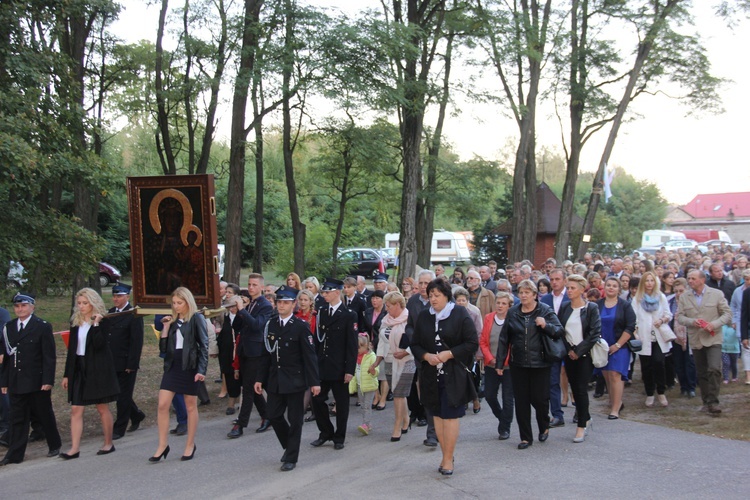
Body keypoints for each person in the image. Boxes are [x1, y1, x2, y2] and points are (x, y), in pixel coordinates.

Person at [410, 279, 478, 475]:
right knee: (437, 416)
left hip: (453, 374)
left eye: (437, 295)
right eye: (430, 296)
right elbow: (415, 344)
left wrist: (450, 354)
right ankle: (445, 454)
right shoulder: (424, 316)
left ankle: (448, 459)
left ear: (446, 295)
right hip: (430, 375)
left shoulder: (459, 313)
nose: (433, 299)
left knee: (450, 416)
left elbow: (472, 343)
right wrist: (425, 356)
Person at [254, 286, 320, 471]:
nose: (281, 306)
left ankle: (291, 457)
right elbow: (265, 354)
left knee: (295, 419)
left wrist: (314, 382)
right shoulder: (271, 324)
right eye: (279, 302)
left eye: (286, 303)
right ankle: (289, 446)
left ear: (294, 305)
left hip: (295, 380)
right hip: (275, 379)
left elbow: (310, 356)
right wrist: (259, 378)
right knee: (274, 415)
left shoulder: (300, 327)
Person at [496, 280, 564, 450]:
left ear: (535, 295)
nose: (524, 295)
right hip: (518, 363)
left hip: (540, 363)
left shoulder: (545, 310)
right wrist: (499, 362)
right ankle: (525, 437)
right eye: (521, 292)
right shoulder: (513, 312)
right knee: (521, 401)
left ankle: (544, 425)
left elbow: (559, 330)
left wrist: (545, 325)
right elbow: (504, 339)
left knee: (539, 399)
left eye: (527, 292)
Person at [0, 293, 62, 466]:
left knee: (44, 414)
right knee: (17, 418)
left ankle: (54, 444)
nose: (20, 309)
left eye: (24, 306)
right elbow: (6, 357)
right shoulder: (9, 327)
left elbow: (49, 357)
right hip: (16, 380)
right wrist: (4, 382)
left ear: (32, 307)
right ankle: (15, 454)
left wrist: (48, 380)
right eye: (17, 306)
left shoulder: (41, 326)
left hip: (36, 380)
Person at [150, 287, 209, 462]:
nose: (176, 306)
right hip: (172, 365)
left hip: (189, 366)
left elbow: (204, 346)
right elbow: (163, 349)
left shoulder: (196, 318)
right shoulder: (173, 321)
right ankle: (162, 445)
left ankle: (190, 444)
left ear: (187, 302)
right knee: (162, 405)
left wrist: (201, 370)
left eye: (179, 303)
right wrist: (166, 328)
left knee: (190, 405)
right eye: (174, 303)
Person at [60, 288, 120, 459]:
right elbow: (72, 350)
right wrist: (67, 374)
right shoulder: (76, 322)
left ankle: (108, 443)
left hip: (97, 368)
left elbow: (100, 345)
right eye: (79, 303)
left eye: (85, 303)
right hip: (79, 367)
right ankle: (75, 448)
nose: (81, 306)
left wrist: (95, 324)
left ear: (93, 303)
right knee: (76, 409)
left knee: (102, 407)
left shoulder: (104, 321)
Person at [310, 278, 357, 450]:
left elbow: (352, 345)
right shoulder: (321, 311)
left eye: (327, 292)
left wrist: (349, 369)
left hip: (339, 366)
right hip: (322, 364)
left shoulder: (348, 314)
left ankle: (339, 436)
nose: (324, 295)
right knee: (317, 400)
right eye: (323, 292)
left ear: (337, 292)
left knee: (341, 403)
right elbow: (317, 340)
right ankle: (325, 432)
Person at [679, 270, 732, 413]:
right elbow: (680, 317)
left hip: (713, 337)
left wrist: (714, 324)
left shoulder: (716, 294)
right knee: (701, 372)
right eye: (689, 278)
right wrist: (692, 321)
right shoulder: (684, 297)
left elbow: (727, 314)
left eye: (693, 278)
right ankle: (706, 401)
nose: (690, 281)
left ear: (702, 280)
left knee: (714, 368)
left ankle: (714, 401)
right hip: (696, 339)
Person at [228, 273, 274, 438]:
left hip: (257, 352)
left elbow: (256, 326)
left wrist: (242, 310)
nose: (251, 288)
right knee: (252, 388)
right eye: (249, 284)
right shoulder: (250, 304)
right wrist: (241, 310)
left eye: (254, 285)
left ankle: (240, 424)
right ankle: (267, 415)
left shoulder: (266, 306)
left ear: (262, 287)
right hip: (244, 350)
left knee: (247, 389)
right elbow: (236, 325)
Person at [558, 275, 601, 443]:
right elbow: (561, 331)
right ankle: (587, 417)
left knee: (581, 389)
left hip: (585, 355)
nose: (569, 291)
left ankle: (581, 426)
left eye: (572, 288)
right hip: (569, 355)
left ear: (582, 290)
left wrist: (579, 350)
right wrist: (569, 350)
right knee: (574, 388)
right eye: (567, 288)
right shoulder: (565, 307)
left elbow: (594, 333)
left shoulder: (591, 308)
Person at [103, 283, 145, 440]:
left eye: (119, 296)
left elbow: (136, 342)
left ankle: (119, 427)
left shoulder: (133, 314)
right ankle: (136, 415)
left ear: (127, 296)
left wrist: (131, 364)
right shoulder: (111, 313)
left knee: (123, 396)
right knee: (118, 393)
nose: (116, 299)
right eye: (114, 296)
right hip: (112, 361)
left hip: (126, 362)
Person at [376, 291, 414, 441]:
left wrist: (405, 352)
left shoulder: (410, 319)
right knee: (398, 393)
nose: (386, 308)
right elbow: (381, 342)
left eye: (389, 305)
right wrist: (376, 361)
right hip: (390, 360)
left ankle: (397, 426)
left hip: (407, 361)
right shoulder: (386, 320)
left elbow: (417, 340)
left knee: (399, 393)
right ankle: (406, 419)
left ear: (398, 305)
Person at [632, 271, 674, 407]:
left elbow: (669, 314)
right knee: (646, 367)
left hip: (659, 337)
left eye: (651, 281)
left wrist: (661, 320)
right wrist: (636, 331)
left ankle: (661, 391)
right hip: (644, 337)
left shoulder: (660, 297)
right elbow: (634, 318)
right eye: (647, 281)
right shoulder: (637, 299)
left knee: (659, 363)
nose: (649, 283)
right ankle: (649, 393)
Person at [597, 277, 636, 419]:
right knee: (606, 374)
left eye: (614, 285)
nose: (611, 288)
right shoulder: (598, 304)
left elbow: (630, 326)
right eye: (608, 285)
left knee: (615, 374)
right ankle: (613, 400)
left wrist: (618, 344)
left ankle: (615, 407)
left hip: (620, 345)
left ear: (619, 289)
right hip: (602, 346)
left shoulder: (624, 305)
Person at [406, 270, 435, 444]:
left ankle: (441, 429)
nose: (424, 287)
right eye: (421, 283)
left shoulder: (444, 300)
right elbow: (408, 326)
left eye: (427, 283)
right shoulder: (413, 301)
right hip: (421, 355)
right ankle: (431, 434)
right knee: (427, 393)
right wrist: (413, 337)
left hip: (440, 355)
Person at [479, 292, 514, 440]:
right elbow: (483, 341)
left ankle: (505, 428)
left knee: (507, 398)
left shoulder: (512, 319)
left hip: (508, 366)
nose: (500, 306)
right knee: (489, 395)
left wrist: (502, 361)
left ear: (509, 306)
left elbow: (513, 344)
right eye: (498, 303)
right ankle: (501, 417)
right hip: (490, 364)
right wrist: (490, 358)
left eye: (503, 303)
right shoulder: (489, 318)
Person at [540, 268, 569, 428]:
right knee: (552, 381)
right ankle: (557, 414)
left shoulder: (571, 296)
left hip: (571, 343)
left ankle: (581, 412)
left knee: (576, 380)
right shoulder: (545, 299)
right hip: (552, 345)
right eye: (552, 279)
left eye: (558, 279)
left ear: (564, 280)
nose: (554, 282)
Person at [452, 286, 483, 414]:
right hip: (456, 348)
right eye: (458, 300)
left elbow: (479, 332)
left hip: (470, 348)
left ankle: (475, 399)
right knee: (459, 376)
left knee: (469, 375)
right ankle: (464, 401)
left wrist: (479, 352)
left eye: (463, 300)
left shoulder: (474, 312)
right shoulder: (452, 312)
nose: (460, 303)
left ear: (467, 300)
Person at [217, 284, 242, 415]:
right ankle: (231, 403)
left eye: (234, 306)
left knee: (240, 377)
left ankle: (238, 402)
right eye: (230, 306)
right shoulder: (225, 318)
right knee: (228, 375)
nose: (232, 309)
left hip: (239, 353)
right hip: (227, 353)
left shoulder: (243, 317)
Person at [669, 278, 697, 397]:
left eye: (681, 291)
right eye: (676, 291)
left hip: (689, 333)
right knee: (678, 362)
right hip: (675, 335)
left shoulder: (692, 301)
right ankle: (683, 386)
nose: (678, 294)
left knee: (689, 361)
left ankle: (691, 387)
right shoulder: (670, 302)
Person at [294, 289, 318, 421]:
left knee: (310, 382)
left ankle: (301, 411)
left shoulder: (314, 316)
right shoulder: (295, 315)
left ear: (310, 302)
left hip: (309, 353)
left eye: (305, 300)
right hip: (296, 354)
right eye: (301, 300)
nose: (302, 302)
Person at [351, 335, 378, 436]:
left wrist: (373, 371)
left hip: (369, 385)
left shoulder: (371, 356)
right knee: (363, 406)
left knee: (366, 406)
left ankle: (365, 424)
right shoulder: (355, 357)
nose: (357, 350)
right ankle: (367, 423)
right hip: (360, 385)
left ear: (366, 346)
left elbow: (376, 372)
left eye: (358, 347)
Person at [368, 290, 390, 411]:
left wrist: (374, 342)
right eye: (373, 298)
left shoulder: (386, 313)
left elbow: (385, 331)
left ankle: (383, 399)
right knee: (372, 371)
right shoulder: (367, 312)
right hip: (368, 346)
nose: (374, 300)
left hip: (382, 345)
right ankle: (376, 396)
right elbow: (364, 328)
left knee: (383, 373)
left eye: (377, 298)